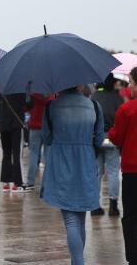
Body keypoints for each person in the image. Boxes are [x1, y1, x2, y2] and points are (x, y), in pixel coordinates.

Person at [41, 85, 104, 265]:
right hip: (86, 163)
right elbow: (99, 139)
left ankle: (78, 262)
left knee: (70, 220)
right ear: (81, 85)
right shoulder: (94, 106)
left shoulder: (52, 107)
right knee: (80, 219)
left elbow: (47, 138)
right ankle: (77, 261)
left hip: (61, 164)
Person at [109, 67, 137, 265]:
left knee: (131, 217)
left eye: (132, 83)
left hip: (132, 171)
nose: (130, 87)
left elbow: (117, 137)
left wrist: (110, 133)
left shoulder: (127, 110)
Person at [91, 73, 124, 216]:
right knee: (113, 172)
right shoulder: (118, 98)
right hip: (112, 139)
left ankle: (94, 206)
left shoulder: (94, 97)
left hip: (97, 140)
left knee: (97, 173)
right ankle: (113, 206)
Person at [0, 93, 27, 192]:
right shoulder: (20, 89)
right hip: (16, 125)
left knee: (6, 154)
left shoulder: (1, 90)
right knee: (16, 154)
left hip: (4, 125)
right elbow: (29, 104)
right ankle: (17, 184)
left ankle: (6, 183)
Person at [25, 93, 55, 190]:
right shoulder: (52, 95)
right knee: (47, 155)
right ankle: (47, 183)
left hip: (34, 127)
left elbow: (27, 108)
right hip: (48, 128)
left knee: (33, 153)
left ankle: (30, 182)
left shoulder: (33, 94)